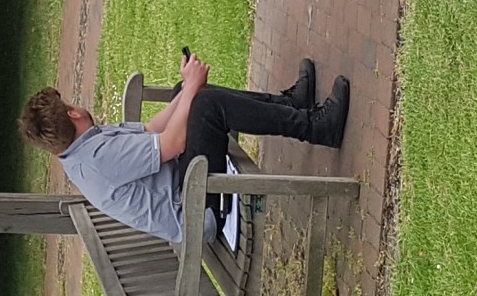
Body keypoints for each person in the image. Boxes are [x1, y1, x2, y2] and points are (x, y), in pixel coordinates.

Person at [17, 54, 349, 246]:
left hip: (187, 185)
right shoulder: (98, 159)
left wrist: (186, 88)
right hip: (197, 211)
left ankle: (291, 105)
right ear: (72, 113)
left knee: (189, 96)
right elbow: (172, 143)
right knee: (203, 104)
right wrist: (193, 91)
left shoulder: (84, 147)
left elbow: (152, 129)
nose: (77, 103)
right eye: (71, 103)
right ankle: (317, 127)